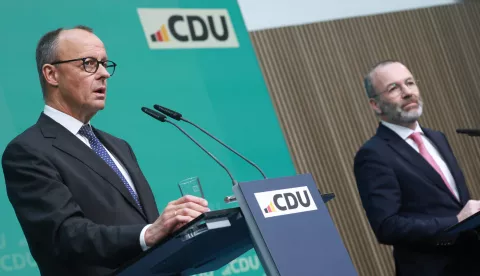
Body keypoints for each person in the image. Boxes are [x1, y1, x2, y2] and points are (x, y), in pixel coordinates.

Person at [1, 26, 209, 276]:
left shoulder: (119, 146)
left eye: (103, 63)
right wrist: (149, 234)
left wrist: (176, 230)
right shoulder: (28, 151)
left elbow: (142, 227)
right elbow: (65, 236)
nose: (103, 74)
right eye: (88, 64)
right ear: (51, 74)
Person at [353, 60, 480, 276]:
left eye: (410, 83)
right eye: (394, 88)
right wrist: (456, 222)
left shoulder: (437, 138)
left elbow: (450, 202)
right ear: (375, 105)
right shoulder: (373, 155)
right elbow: (387, 226)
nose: (407, 92)